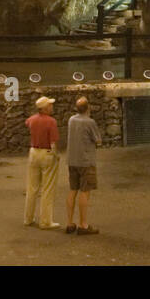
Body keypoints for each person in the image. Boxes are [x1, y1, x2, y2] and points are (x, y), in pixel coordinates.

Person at [65, 96, 103, 234]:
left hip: (72, 160)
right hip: (86, 161)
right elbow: (98, 140)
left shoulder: (71, 120)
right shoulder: (90, 122)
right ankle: (83, 225)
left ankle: (69, 223)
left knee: (72, 190)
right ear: (88, 108)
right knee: (85, 192)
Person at [24, 96, 61, 229]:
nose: (52, 107)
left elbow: (27, 123)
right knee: (47, 188)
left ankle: (28, 218)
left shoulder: (32, 120)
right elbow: (53, 142)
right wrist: (56, 156)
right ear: (45, 108)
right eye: (50, 105)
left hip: (33, 152)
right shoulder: (51, 121)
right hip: (46, 153)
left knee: (32, 187)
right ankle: (45, 221)